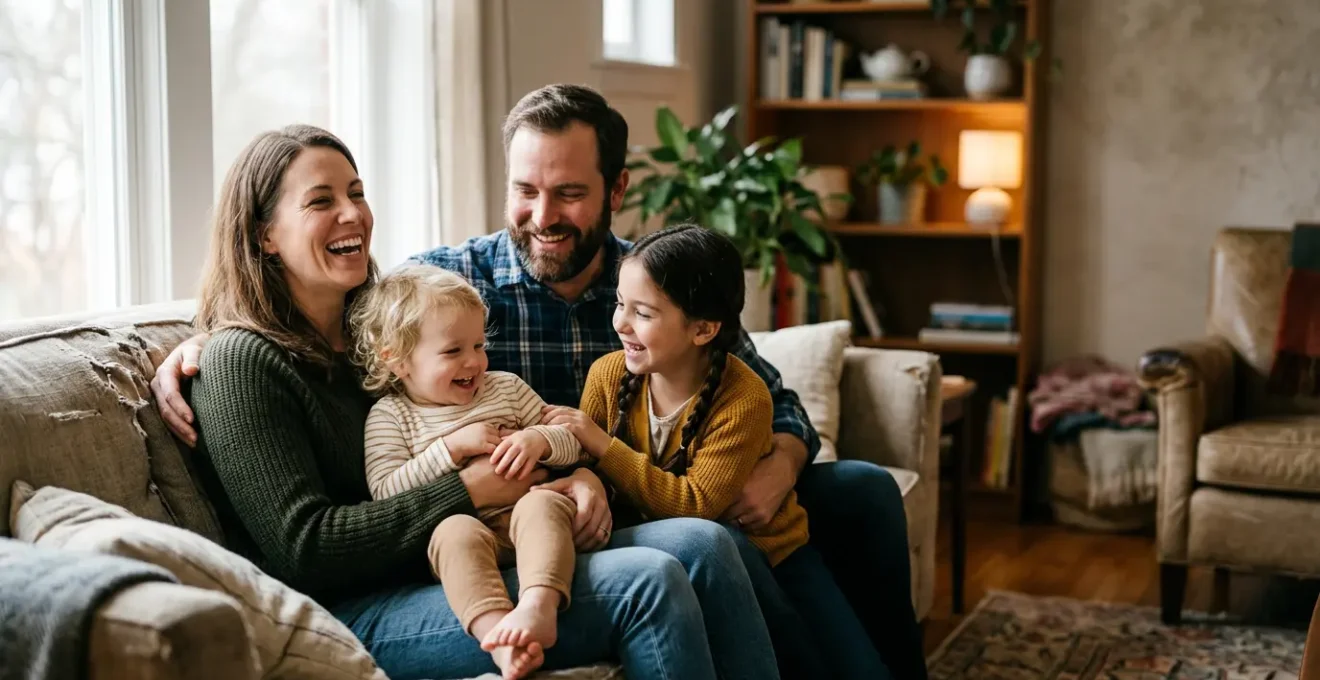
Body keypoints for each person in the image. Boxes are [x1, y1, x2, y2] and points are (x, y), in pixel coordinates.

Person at [155, 83, 926, 679]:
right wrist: (198, 349)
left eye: (568, 193)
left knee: (857, 491)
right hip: (493, 531)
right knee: (694, 546)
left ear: (615, 192)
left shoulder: (648, 281)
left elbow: (763, 389)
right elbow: (281, 376)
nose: (542, 213)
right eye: (526, 190)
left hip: (599, 491)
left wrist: (778, 460)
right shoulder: (442, 287)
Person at [543, 223, 893, 679]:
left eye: (642, 313)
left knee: (844, 667)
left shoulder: (744, 398)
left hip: (774, 553)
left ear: (704, 329)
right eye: (619, 304)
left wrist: (603, 447)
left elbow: (697, 507)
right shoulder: (609, 375)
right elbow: (588, 468)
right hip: (690, 553)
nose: (619, 323)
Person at [348, 263, 587, 679]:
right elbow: (386, 492)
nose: (474, 361)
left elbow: (572, 445)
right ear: (398, 361)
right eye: (453, 351)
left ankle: (538, 605)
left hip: (528, 515)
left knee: (543, 505)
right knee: (453, 532)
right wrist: (450, 449)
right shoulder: (391, 417)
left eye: (478, 345)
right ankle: (496, 635)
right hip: (468, 534)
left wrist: (540, 441)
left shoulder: (506, 388)